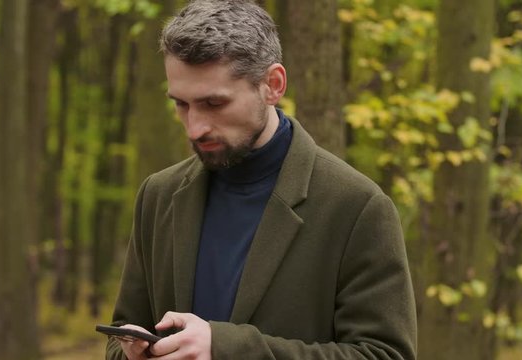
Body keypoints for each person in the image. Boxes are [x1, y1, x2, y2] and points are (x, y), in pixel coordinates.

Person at [105, 0, 417, 359]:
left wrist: (224, 349)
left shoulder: (356, 206)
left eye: (214, 104)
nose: (195, 126)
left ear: (273, 85)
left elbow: (384, 354)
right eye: (182, 104)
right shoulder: (158, 195)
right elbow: (121, 335)